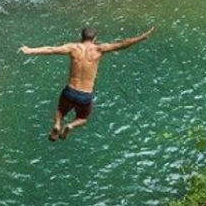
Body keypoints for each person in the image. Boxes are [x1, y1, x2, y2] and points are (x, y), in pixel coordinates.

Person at [19, 24, 155, 141]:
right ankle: (71, 125)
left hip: (69, 91)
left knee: (60, 111)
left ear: (81, 37)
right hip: (85, 95)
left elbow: (51, 50)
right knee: (82, 119)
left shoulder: (73, 48)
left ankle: (57, 124)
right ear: (95, 39)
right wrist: (141, 37)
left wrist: (30, 50)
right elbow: (122, 45)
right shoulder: (99, 49)